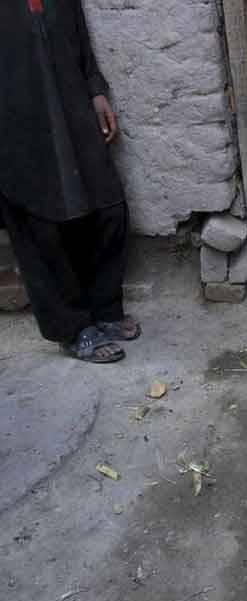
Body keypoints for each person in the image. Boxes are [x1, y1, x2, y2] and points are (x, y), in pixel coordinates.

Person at [0, 0, 140, 363]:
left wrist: (95, 90)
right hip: (14, 121)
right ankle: (72, 328)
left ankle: (105, 308)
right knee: (38, 222)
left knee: (108, 207)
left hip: (70, 102)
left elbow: (78, 34)